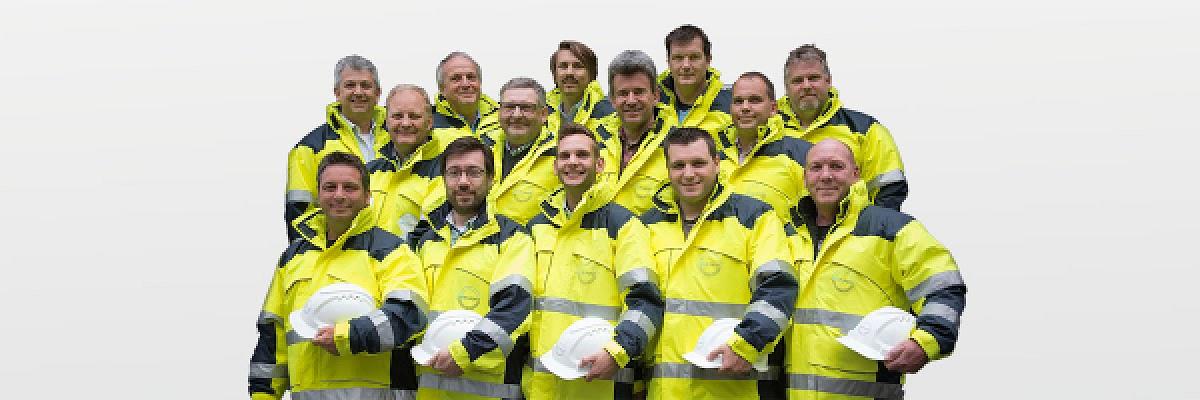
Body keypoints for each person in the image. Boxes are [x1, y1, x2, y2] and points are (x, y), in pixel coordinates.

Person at [784, 139, 966, 399]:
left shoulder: (892, 229)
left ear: (856, 174)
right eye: (816, 167)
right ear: (804, 177)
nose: (825, 176)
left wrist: (927, 341)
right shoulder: (787, 234)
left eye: (836, 166)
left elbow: (943, 285)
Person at [250, 152, 429, 400]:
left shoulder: (392, 252)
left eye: (350, 187)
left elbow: (408, 314)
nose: (339, 195)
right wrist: (263, 395)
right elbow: (273, 337)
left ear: (367, 196)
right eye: (330, 187)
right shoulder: (293, 258)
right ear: (318, 194)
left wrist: (347, 336)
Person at [641, 128, 798, 400]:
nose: (688, 174)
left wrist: (747, 344)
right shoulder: (647, 226)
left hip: (729, 385)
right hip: (664, 391)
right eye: (678, 165)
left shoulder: (755, 218)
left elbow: (778, 288)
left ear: (716, 163)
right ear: (667, 169)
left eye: (698, 163)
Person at [524, 122, 664, 400]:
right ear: (555, 167)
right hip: (541, 385)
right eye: (565, 156)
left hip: (601, 384)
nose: (572, 162)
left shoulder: (624, 226)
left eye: (582, 155)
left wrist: (618, 352)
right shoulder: (537, 227)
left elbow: (645, 301)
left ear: (600, 165)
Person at [409, 137, 535, 399]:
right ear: (443, 179)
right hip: (430, 386)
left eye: (474, 173)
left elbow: (515, 307)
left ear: (491, 179)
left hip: (490, 387)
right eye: (454, 173)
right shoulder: (424, 240)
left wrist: (465, 351)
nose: (463, 182)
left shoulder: (512, 238)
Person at [777, 45, 908, 210]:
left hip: (848, 226)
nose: (806, 85)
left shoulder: (865, 129)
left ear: (828, 81)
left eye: (813, 78)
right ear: (786, 87)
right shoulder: (768, 131)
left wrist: (867, 225)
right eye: (798, 80)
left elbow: (889, 188)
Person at [285, 55, 390, 240]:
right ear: (337, 92)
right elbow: (299, 217)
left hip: (396, 250)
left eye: (365, 85)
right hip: (339, 250)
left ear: (378, 93)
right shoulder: (309, 148)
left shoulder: (399, 137)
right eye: (350, 85)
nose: (358, 92)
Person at [367, 84, 468, 239]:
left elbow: (432, 234)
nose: (405, 123)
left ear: (429, 122)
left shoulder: (446, 172)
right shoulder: (368, 171)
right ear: (386, 121)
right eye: (397, 116)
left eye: (414, 116)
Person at [595, 50, 679, 217]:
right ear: (612, 99)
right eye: (623, 93)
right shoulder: (593, 142)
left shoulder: (678, 144)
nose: (631, 101)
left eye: (639, 92)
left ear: (656, 95)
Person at [717, 72, 813, 215]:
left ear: (773, 108)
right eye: (738, 101)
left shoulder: (803, 154)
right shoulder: (713, 154)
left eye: (754, 100)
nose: (745, 107)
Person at [484, 77, 562, 225]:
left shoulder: (562, 156)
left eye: (526, 108)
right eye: (509, 107)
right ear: (499, 112)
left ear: (543, 114)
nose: (517, 115)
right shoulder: (481, 150)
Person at [658, 25, 732, 138]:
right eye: (678, 58)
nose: (686, 65)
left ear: (708, 60)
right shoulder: (653, 104)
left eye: (694, 57)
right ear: (668, 62)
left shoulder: (732, 105)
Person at [546, 40, 615, 135]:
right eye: (563, 66)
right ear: (554, 74)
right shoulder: (540, 113)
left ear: (592, 75)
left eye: (578, 66)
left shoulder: (612, 113)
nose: (569, 72)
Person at [432, 52, 502, 140]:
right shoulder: (428, 125)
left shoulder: (504, 117)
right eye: (456, 78)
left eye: (471, 77)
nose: (465, 84)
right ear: (441, 88)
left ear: (480, 83)